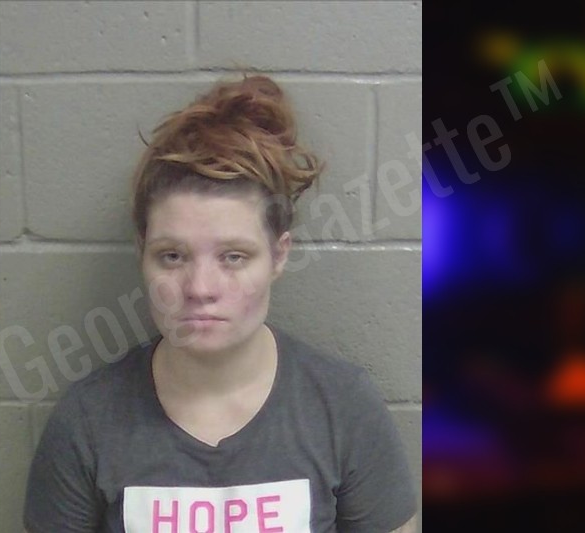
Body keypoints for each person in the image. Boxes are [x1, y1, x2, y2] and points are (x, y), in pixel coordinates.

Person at [24, 74, 417, 532]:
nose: (200, 288)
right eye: (172, 256)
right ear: (142, 255)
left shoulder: (343, 408)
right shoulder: (87, 422)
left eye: (233, 257)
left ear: (278, 256)